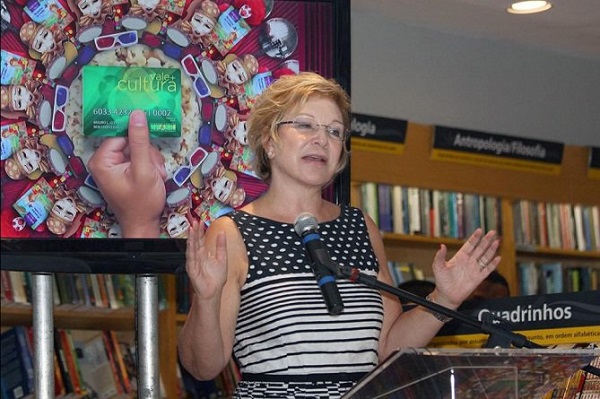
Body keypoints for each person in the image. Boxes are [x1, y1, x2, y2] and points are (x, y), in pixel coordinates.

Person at [88, 72, 502, 398]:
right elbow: (203, 367)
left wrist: (444, 299)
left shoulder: (361, 227)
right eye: (304, 125)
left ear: (341, 154)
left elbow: (386, 350)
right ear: (269, 140)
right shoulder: (232, 232)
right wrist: (208, 300)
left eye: (335, 131)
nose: (322, 139)